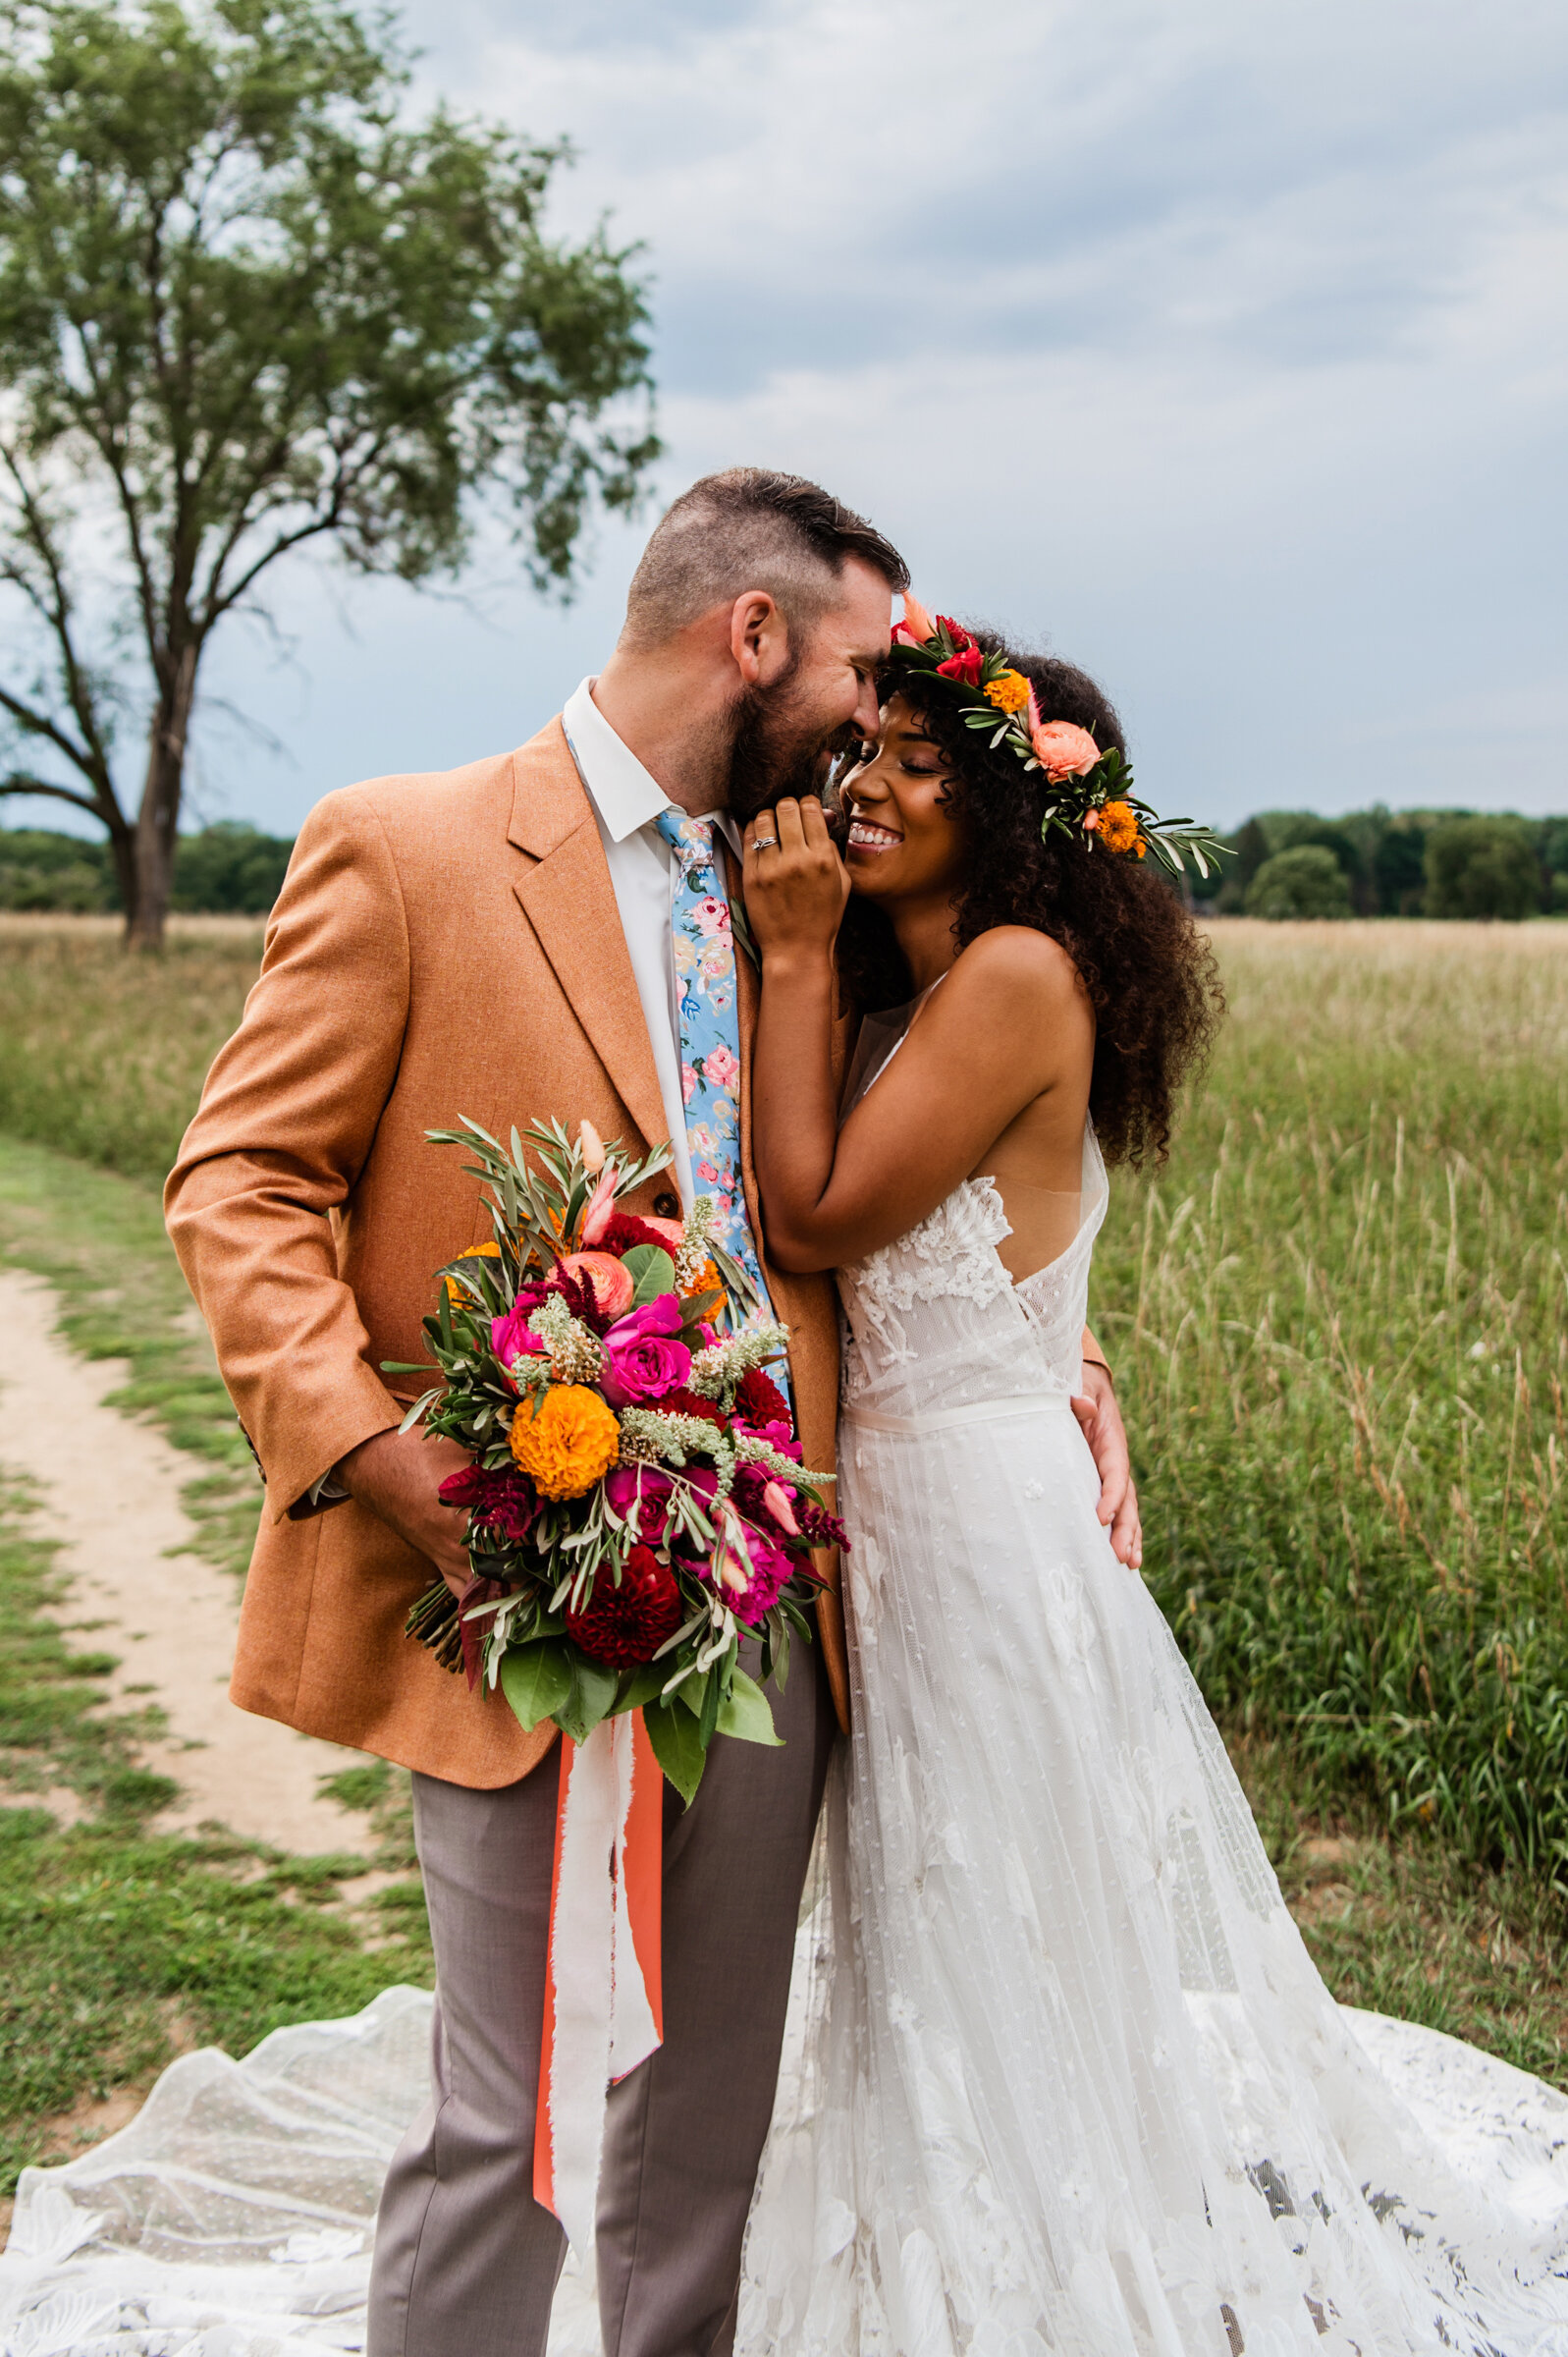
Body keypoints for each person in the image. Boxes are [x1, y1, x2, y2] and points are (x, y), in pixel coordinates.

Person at [162, 474, 1136, 2357]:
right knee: (502, 2115)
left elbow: (933, 1197)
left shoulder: (825, 902)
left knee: (707, 2115)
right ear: (749, 636)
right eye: (861, 672)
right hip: (520, 1580)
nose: (875, 725)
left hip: (794, 1591)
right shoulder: (412, 848)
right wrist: (401, 1473)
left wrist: (1064, 1370)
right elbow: (239, 1191)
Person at [732, 615, 1568, 2354]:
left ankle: (1048, 2278)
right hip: (910, 1499)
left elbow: (812, 1217)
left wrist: (797, 948)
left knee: (987, 1906)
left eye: (917, 762)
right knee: (932, 1912)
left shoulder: (1017, 975)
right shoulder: (932, 988)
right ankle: (962, 2237)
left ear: (1017, 817)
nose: (866, 784)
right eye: (861, 748)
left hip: (968, 1526)